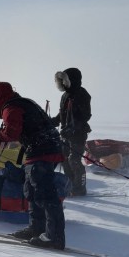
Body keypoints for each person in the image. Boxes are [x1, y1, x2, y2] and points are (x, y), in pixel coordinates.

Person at [0, 82, 66, 249]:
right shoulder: (21, 103)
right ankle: (37, 228)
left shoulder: (12, 107)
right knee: (31, 190)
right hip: (41, 149)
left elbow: (12, 132)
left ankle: (54, 237)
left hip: (42, 150)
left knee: (44, 193)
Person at [52, 67, 92, 196]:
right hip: (65, 134)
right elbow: (62, 114)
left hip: (78, 134)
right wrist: (52, 121)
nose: (62, 83)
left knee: (74, 159)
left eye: (64, 80)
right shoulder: (65, 96)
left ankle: (80, 188)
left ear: (71, 80)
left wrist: (73, 128)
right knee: (64, 160)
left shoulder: (82, 94)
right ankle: (69, 186)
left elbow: (86, 115)